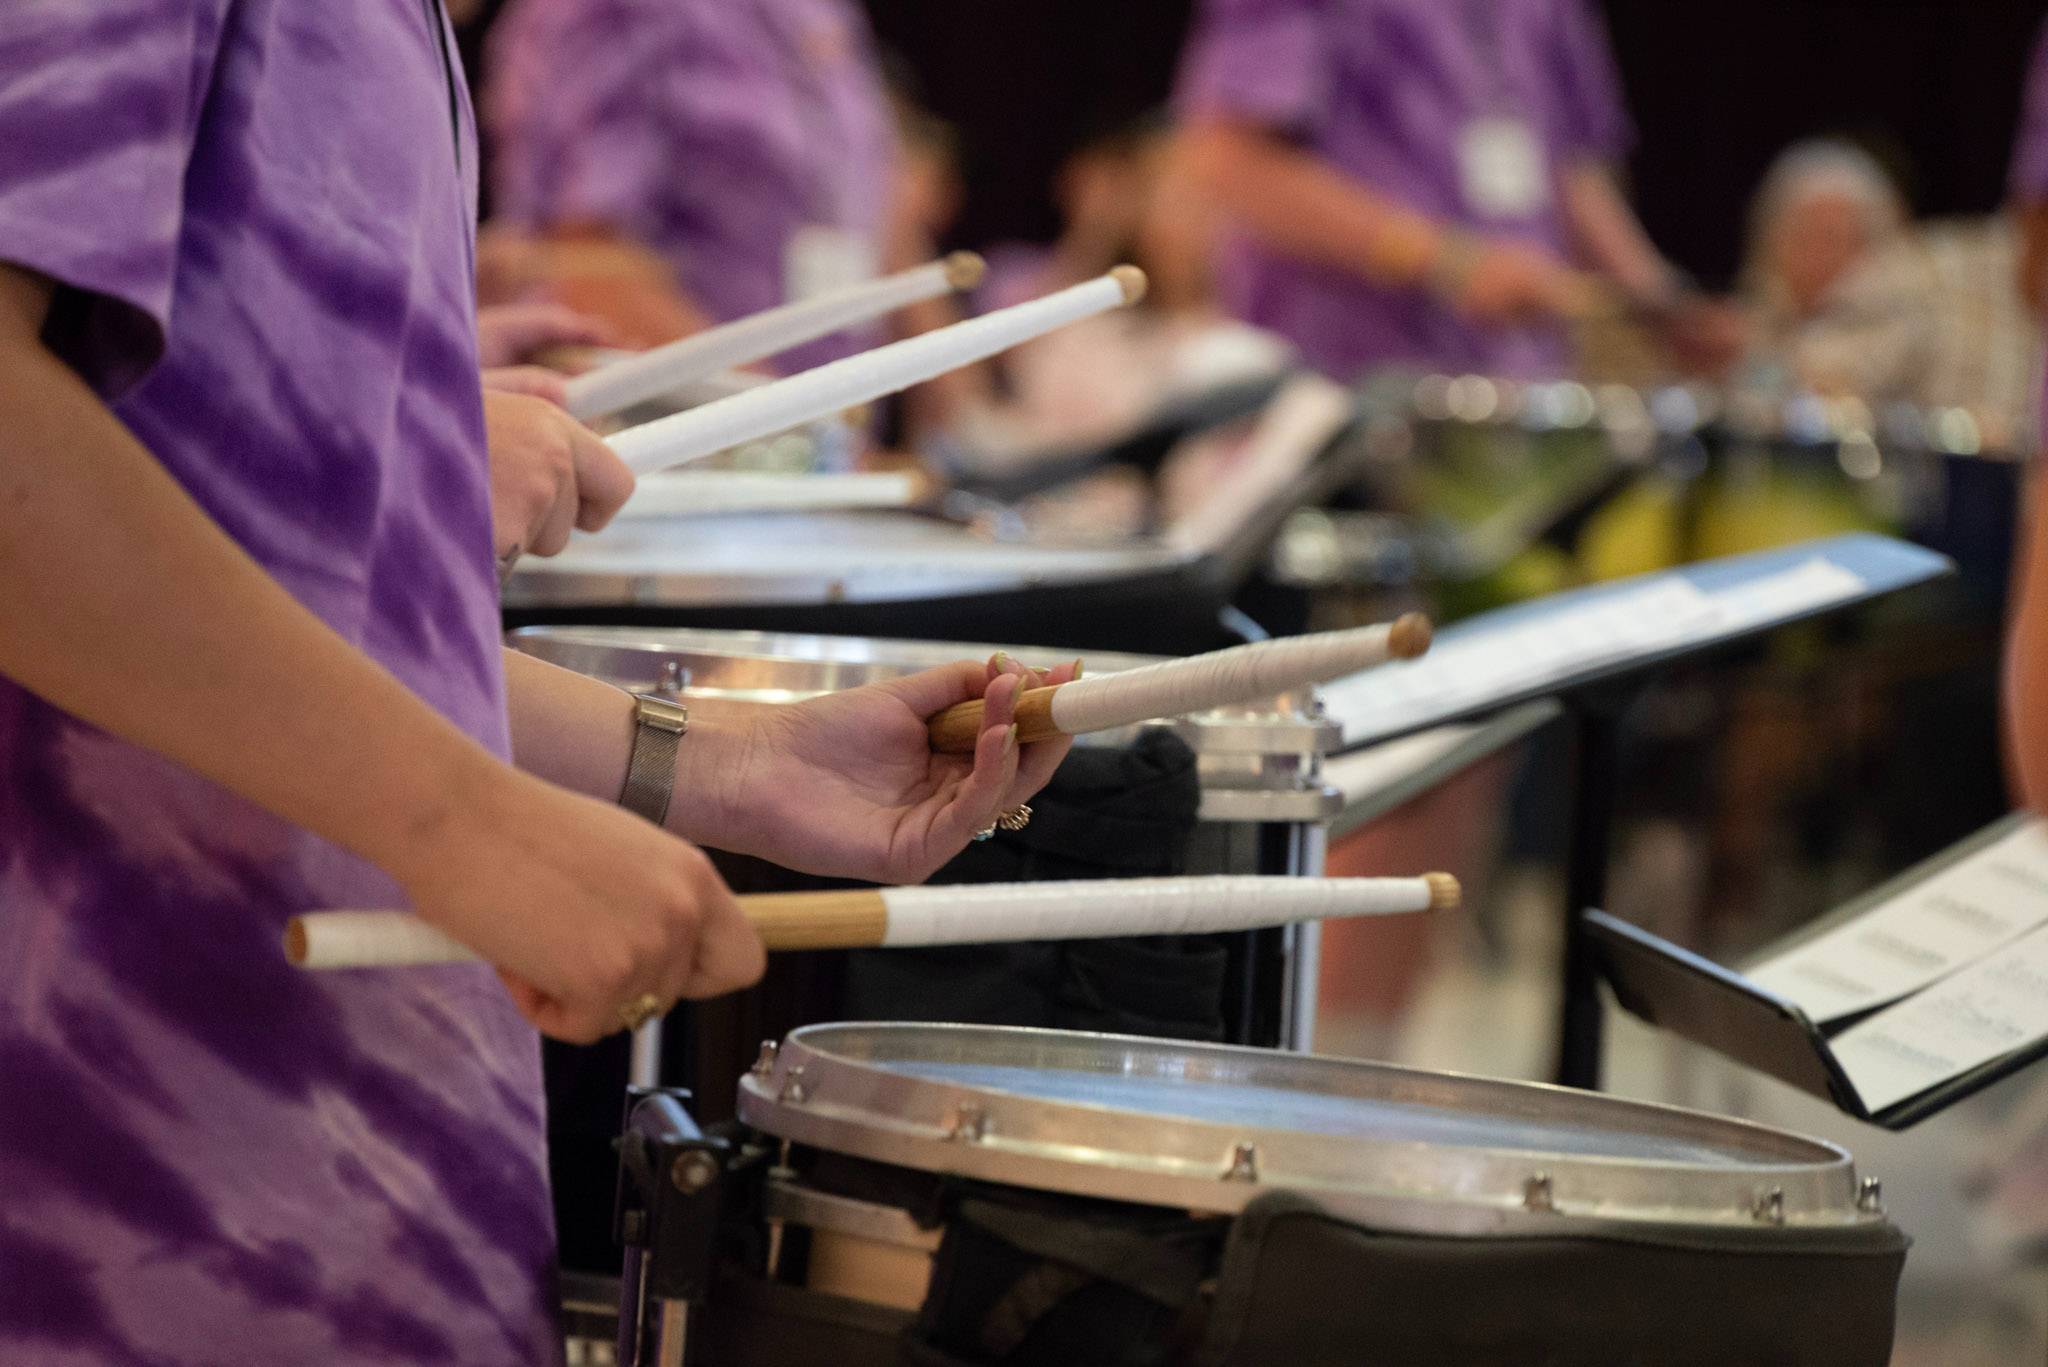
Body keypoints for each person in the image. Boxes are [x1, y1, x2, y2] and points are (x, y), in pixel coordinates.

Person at [0, 3, 1071, 1360]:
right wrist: (460, 818)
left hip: (314, 1180)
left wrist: (727, 759)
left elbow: (276, 578)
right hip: (120, 1193)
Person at [1173, 0, 1738, 381]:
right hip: (1346, 399)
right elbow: (1228, 160)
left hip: (1516, 397)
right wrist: (1445, 260)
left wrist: (1660, 301)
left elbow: (1568, 169)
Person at [483, 0, 907, 366]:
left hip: (811, 430)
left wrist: (954, 408)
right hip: (671, 428)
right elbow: (581, 255)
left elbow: (864, 196)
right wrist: (776, 419)